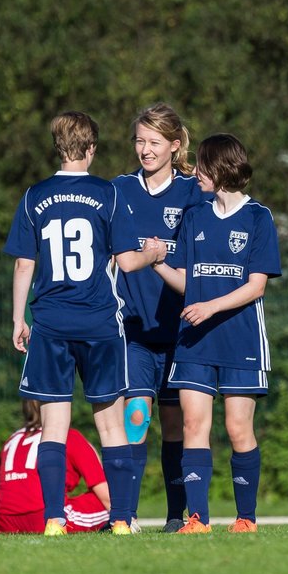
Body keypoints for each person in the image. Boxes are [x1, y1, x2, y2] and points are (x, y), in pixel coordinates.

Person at [3, 111, 163, 536]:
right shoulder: (107, 193)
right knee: (110, 425)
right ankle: (123, 520)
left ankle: (54, 519)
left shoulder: (34, 195)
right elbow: (128, 261)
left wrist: (20, 318)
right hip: (98, 322)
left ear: (58, 148)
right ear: (91, 149)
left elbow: (24, 263)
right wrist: (154, 252)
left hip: (51, 323)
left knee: (54, 425)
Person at [152, 134, 281, 534]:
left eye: (201, 166)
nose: (195, 174)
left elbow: (256, 285)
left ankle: (246, 519)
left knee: (238, 428)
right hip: (194, 341)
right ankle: (198, 519)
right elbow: (186, 280)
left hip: (240, 340)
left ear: (219, 168)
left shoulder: (259, 217)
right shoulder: (195, 216)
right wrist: (154, 260)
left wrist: (211, 306)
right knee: (193, 425)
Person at [109, 104, 204, 533]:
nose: (144, 150)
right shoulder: (119, 191)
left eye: (153, 142)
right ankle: (124, 517)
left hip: (181, 330)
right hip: (133, 329)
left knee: (176, 426)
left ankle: (175, 516)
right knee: (135, 417)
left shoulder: (192, 193)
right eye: (139, 141)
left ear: (175, 145)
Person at [0, 400, 111, 533]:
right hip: (43, 517)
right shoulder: (69, 436)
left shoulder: (12, 439)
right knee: (116, 502)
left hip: (3, 521)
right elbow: (105, 494)